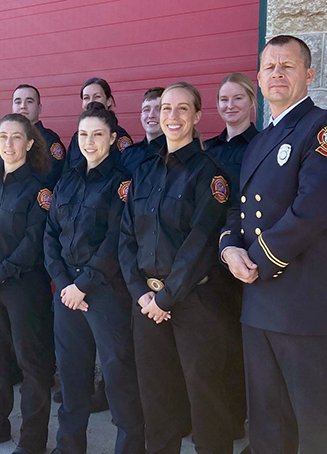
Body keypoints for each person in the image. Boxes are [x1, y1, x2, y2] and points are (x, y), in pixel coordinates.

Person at [219, 35, 327, 453]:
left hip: (305, 301)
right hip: (260, 301)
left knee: (313, 419)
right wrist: (230, 249)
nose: (277, 73)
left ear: (309, 75)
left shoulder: (326, 128)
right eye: (269, 67)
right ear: (259, 79)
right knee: (266, 418)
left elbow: (314, 209)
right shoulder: (262, 140)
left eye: (288, 66)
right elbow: (238, 209)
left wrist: (257, 259)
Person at [119, 82, 232, 454]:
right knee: (156, 396)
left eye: (183, 109)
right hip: (147, 304)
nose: (172, 116)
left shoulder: (210, 175)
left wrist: (165, 298)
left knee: (205, 399)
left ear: (198, 116)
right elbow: (126, 239)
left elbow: (199, 244)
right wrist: (141, 294)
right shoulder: (143, 171)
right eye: (166, 109)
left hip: (193, 302)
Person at [44, 103, 144, 454]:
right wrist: (63, 282)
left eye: (98, 134)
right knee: (72, 377)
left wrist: (81, 284)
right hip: (67, 293)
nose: (89, 141)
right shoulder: (67, 179)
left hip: (105, 293)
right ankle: (69, 446)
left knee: (118, 378)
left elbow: (117, 238)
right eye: (83, 134)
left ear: (113, 138)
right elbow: (50, 233)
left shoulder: (122, 184)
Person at [0, 114, 55, 454]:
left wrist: (0, 272)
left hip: (22, 286)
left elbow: (35, 240)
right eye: (3, 137)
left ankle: (32, 440)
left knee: (32, 364)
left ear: (30, 143)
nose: (8, 144)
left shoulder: (40, 188)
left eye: (16, 137)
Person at [203, 73, 260, 440]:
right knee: (214, 345)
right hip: (209, 260)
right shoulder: (208, 149)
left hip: (248, 260)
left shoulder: (262, 145)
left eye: (237, 98)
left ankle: (242, 419)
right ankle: (217, 421)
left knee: (244, 348)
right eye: (223, 99)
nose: (229, 106)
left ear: (252, 103)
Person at [65, 78, 133, 170]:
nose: (91, 101)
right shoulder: (77, 137)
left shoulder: (120, 137)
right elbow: (67, 171)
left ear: (109, 101)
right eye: (86, 98)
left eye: (97, 96)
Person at [12, 84, 68, 185]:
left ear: (39, 108)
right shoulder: (4, 140)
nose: (23, 106)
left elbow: (53, 179)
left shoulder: (50, 141)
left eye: (29, 101)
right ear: (12, 107)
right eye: (18, 102)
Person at [119, 87, 166, 173]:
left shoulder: (175, 154)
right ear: (141, 116)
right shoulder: (129, 154)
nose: (151, 115)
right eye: (146, 110)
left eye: (158, 109)